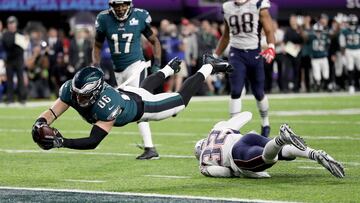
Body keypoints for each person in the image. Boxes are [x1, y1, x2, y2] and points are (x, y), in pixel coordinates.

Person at [31, 55, 233, 152]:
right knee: (143, 88)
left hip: (143, 107)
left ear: (96, 92)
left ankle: (208, 66)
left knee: (180, 101)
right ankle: (169, 69)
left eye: (83, 96)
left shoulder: (107, 105)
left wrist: (61, 142)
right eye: (76, 94)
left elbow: (93, 141)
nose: (78, 99)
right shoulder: (71, 90)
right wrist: (40, 123)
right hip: (130, 93)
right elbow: (52, 111)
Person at [92, 0, 162, 159]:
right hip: (118, 70)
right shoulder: (104, 19)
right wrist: (96, 65)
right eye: (117, 5)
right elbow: (96, 45)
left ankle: (150, 147)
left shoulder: (139, 16)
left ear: (129, 4)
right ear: (112, 6)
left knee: (139, 104)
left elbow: (155, 41)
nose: (121, 8)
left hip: (136, 66)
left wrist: (157, 63)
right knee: (127, 106)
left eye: (123, 5)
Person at [194, 112, 345, 179]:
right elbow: (246, 115)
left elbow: (225, 173)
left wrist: (237, 173)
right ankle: (314, 154)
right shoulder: (217, 129)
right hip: (247, 137)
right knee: (284, 152)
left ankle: (280, 138)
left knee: (269, 158)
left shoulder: (203, 162)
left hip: (236, 153)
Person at [213, 0, 275, 137]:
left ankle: (265, 123)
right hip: (236, 53)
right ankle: (233, 130)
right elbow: (226, 35)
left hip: (255, 52)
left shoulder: (258, 4)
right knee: (235, 90)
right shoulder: (227, 7)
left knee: (258, 92)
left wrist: (271, 46)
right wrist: (215, 55)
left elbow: (269, 29)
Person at [1, 16, 27, 104]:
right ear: (8, 25)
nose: (11, 25)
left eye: (13, 23)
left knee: (20, 79)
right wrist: (16, 39)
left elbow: (24, 46)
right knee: (9, 79)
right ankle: (10, 98)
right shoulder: (6, 34)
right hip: (9, 60)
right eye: (10, 23)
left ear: (16, 24)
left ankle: (22, 98)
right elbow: (7, 44)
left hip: (19, 59)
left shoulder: (20, 33)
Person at [339, 14, 360, 94]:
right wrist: (343, 54)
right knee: (350, 69)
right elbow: (342, 44)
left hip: (357, 50)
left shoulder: (346, 31)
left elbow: (342, 44)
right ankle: (351, 85)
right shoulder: (344, 31)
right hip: (349, 50)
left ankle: (354, 85)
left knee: (355, 68)